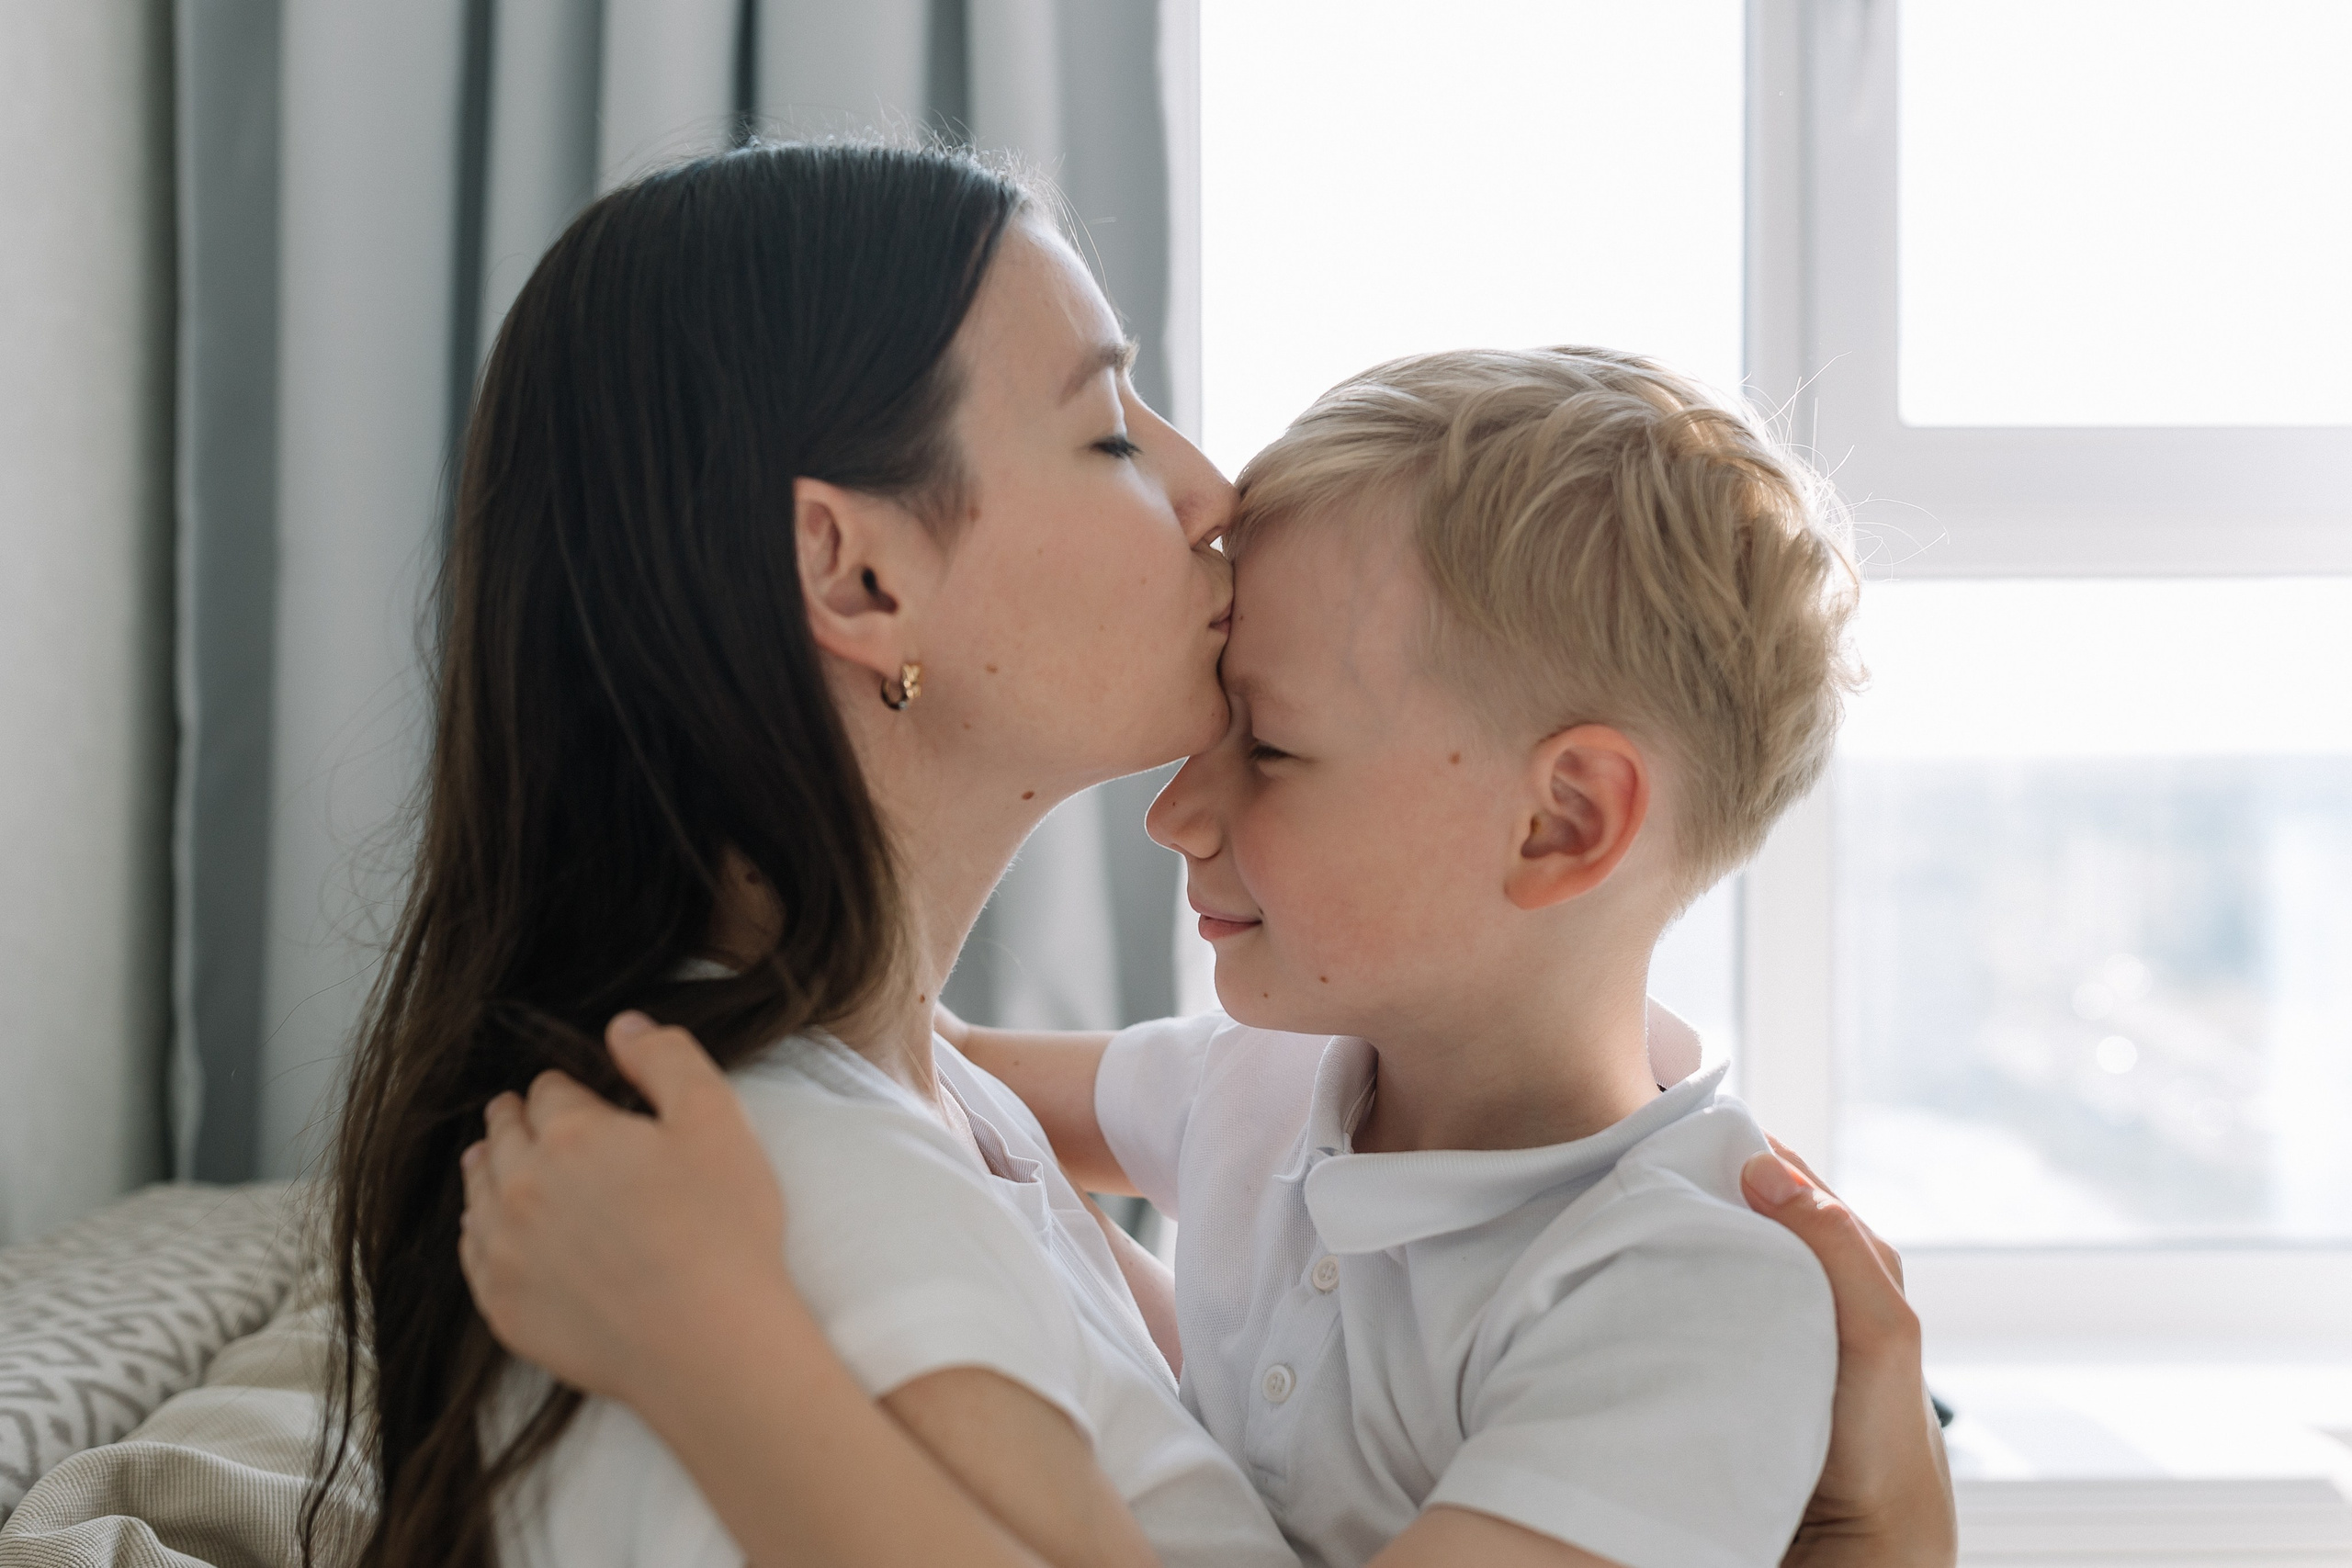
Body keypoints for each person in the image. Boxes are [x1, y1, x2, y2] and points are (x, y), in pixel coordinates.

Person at [377, 136, 1951, 1566]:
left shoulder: (920, 1119)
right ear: (854, 576)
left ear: (1564, 824)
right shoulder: (788, 1169)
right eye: (1107, 431)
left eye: (1274, 751)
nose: (1210, 488)